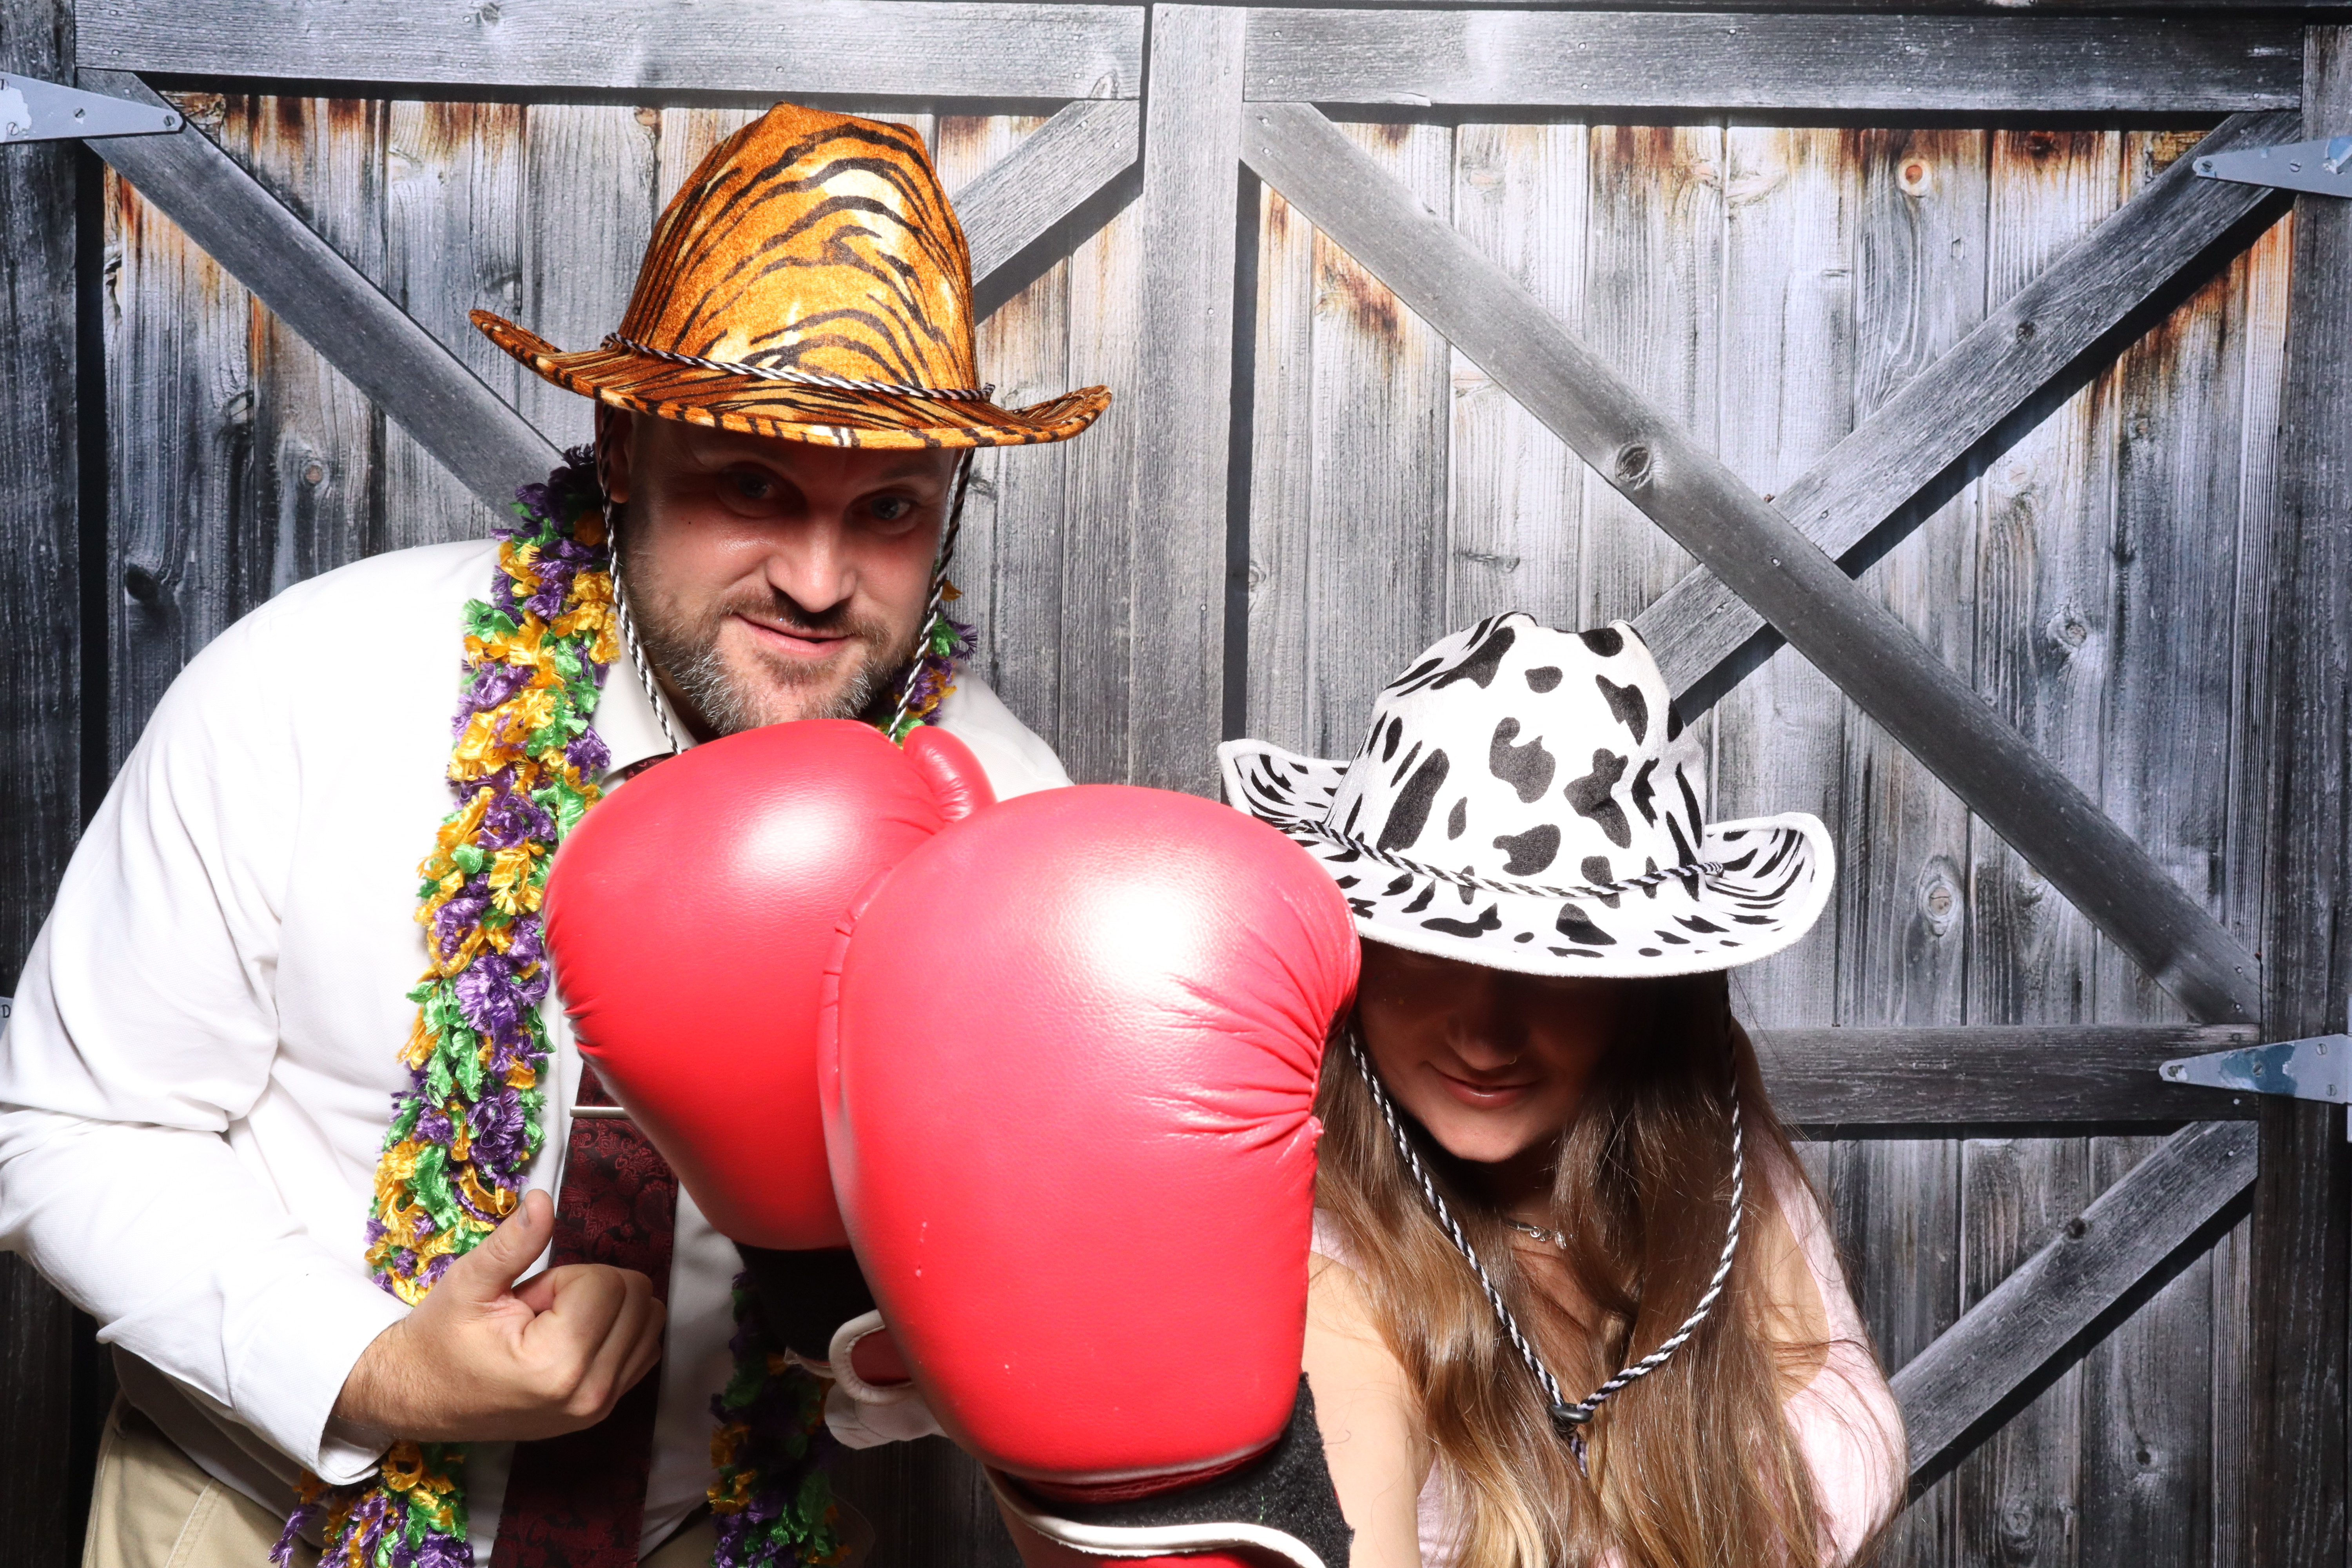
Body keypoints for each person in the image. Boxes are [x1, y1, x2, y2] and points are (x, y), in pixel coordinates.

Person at [0, 100, 1105, 1568]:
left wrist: (885, 1345)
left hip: (723, 1535)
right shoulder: (314, 689)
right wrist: (372, 1365)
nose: (822, 582)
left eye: (891, 509)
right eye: (753, 483)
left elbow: (1013, 1295)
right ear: (625, 445)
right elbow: (69, 1128)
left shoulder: (1009, 827)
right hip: (262, 1513)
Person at [1218, 613, 1906, 1567]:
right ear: (1355, 948)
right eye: (1432, 951)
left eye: (1559, 965)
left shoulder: (1713, 1122)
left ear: (1651, 985)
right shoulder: (1330, 1276)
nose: (1485, 1032)